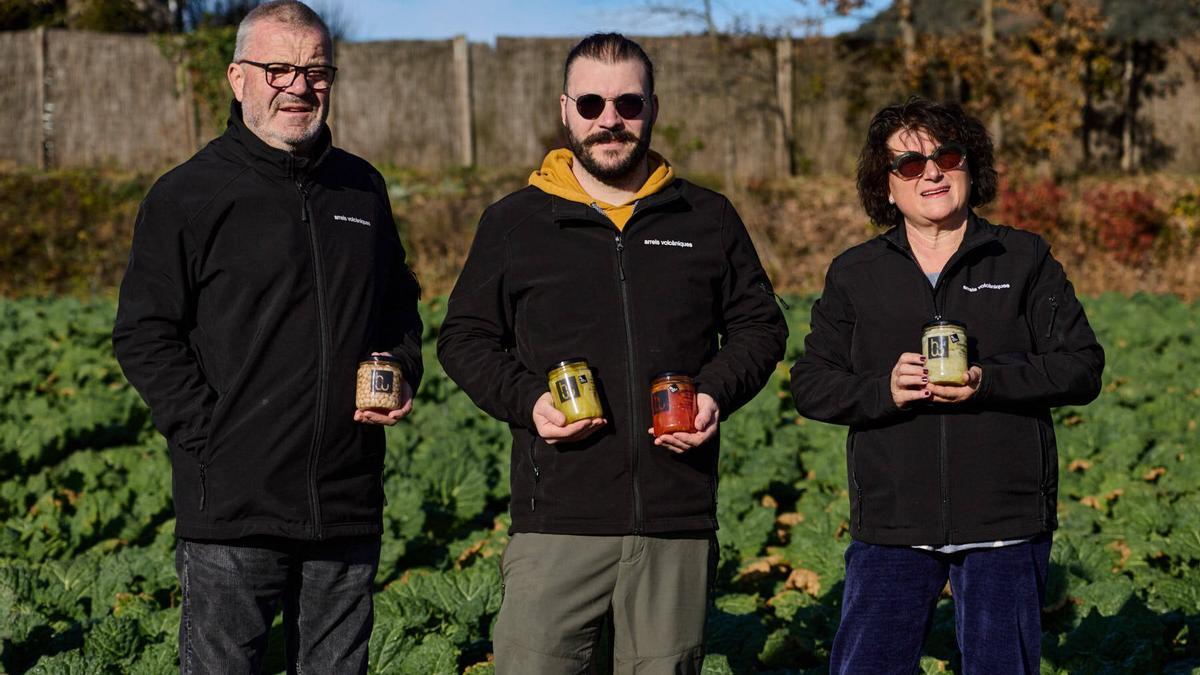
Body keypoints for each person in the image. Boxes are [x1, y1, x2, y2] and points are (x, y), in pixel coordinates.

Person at [437, 32, 788, 674]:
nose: (610, 121)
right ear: (566, 109)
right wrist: (528, 401)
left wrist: (713, 393)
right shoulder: (514, 223)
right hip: (557, 519)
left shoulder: (705, 217)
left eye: (628, 104)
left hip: (674, 517)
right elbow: (463, 337)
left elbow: (760, 326)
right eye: (593, 103)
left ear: (653, 108)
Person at [111, 2, 422, 672]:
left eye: (315, 70)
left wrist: (400, 367)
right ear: (237, 78)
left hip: (344, 500)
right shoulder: (187, 195)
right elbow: (144, 333)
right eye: (277, 68)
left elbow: (399, 305)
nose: (298, 86)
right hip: (232, 507)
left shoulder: (361, 189)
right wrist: (209, 435)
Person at [790, 97, 1104, 674]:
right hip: (893, 521)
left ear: (969, 167)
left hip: (1003, 522)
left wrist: (989, 380)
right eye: (908, 164)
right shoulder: (856, 273)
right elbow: (811, 384)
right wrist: (885, 389)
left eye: (946, 156)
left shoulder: (1023, 257)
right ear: (886, 186)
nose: (930, 172)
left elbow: (1081, 366)